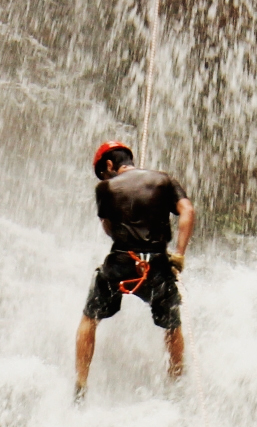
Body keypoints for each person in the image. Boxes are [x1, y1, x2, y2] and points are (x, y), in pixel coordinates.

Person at [74, 141, 195, 401]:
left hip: (121, 264)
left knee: (89, 318)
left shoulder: (105, 188)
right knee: (173, 326)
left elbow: (108, 228)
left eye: (104, 171)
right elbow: (188, 211)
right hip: (158, 265)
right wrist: (179, 254)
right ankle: (177, 386)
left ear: (109, 164)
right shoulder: (164, 181)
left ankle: (81, 384)